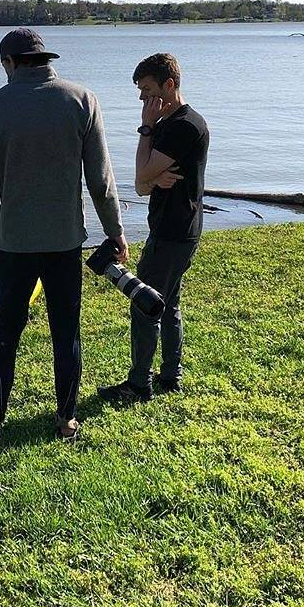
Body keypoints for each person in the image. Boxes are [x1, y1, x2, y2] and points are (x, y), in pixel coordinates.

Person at [0, 28, 126, 445]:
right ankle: (66, 422)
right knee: (66, 332)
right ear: (45, 59)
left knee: (6, 333)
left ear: (9, 62)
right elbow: (102, 182)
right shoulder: (81, 100)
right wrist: (115, 232)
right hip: (64, 243)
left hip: (13, 244)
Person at [98, 53, 209, 403]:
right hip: (174, 226)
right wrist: (148, 175)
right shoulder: (169, 124)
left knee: (144, 303)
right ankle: (171, 374)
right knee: (168, 302)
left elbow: (142, 176)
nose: (143, 101)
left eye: (147, 91)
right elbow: (142, 185)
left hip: (175, 230)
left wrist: (145, 130)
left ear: (169, 85)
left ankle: (138, 384)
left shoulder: (183, 126)